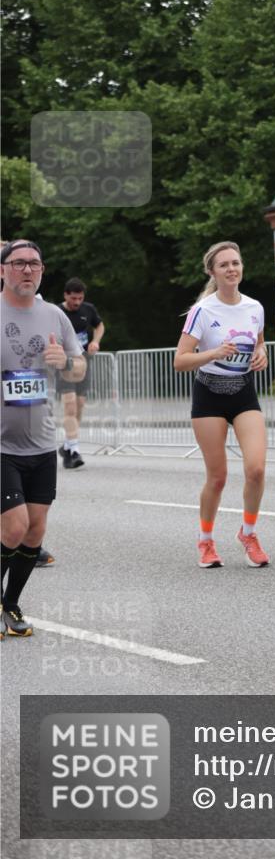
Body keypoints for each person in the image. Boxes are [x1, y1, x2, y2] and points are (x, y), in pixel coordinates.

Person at [1, 240, 85, 637]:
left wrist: (65, 362)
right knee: (14, 527)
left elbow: (78, 369)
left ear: (42, 270)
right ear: (3, 270)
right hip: (1, 445)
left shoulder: (54, 316)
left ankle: (10, 604)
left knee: (35, 530)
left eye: (34, 263)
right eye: (18, 263)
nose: (27, 270)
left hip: (41, 442)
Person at [174, 241, 270, 569]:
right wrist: (213, 353)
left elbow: (258, 346)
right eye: (224, 265)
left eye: (236, 263)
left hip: (243, 393)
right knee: (217, 477)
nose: (232, 269)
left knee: (256, 468)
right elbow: (180, 360)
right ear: (213, 272)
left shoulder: (255, 307)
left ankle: (249, 533)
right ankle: (205, 540)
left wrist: (261, 355)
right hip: (209, 395)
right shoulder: (204, 310)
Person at [56, 277, 105, 469]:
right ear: (65, 295)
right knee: (69, 406)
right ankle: (75, 450)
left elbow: (99, 325)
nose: (77, 302)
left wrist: (95, 341)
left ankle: (68, 445)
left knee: (80, 405)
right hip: (64, 363)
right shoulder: (57, 312)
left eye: (80, 298)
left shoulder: (88, 309)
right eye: (73, 298)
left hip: (83, 362)